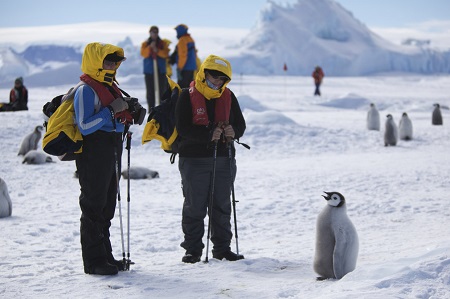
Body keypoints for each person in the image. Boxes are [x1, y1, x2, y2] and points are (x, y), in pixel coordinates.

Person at [175, 54, 246, 263]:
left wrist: (234, 131)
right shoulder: (186, 95)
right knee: (195, 205)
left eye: (222, 79)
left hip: (224, 157)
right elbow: (182, 128)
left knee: (222, 205)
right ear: (204, 73)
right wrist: (207, 134)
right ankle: (193, 249)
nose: (218, 82)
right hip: (194, 159)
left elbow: (240, 125)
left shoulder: (229, 96)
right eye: (214, 77)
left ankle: (222, 249)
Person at [74, 42, 136, 275]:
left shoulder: (111, 88)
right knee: (93, 205)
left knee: (108, 204)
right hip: (93, 151)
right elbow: (85, 125)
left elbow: (115, 119)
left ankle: (106, 256)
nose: (112, 66)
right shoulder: (85, 90)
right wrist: (111, 111)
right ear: (95, 62)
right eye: (107, 61)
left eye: (115, 62)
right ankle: (93, 261)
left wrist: (130, 113)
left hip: (112, 147)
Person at [141, 25, 169, 109]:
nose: (154, 34)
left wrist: (157, 50)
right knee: (150, 92)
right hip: (149, 71)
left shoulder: (162, 43)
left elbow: (165, 54)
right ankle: (151, 109)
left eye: (156, 32)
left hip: (160, 71)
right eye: (153, 32)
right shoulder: (145, 44)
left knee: (162, 91)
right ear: (150, 33)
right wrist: (150, 48)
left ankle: (162, 109)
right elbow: (143, 54)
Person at [173, 24, 197, 88]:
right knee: (190, 88)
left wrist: (179, 68)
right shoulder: (190, 39)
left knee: (182, 89)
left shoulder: (182, 40)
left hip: (184, 68)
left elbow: (183, 55)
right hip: (191, 68)